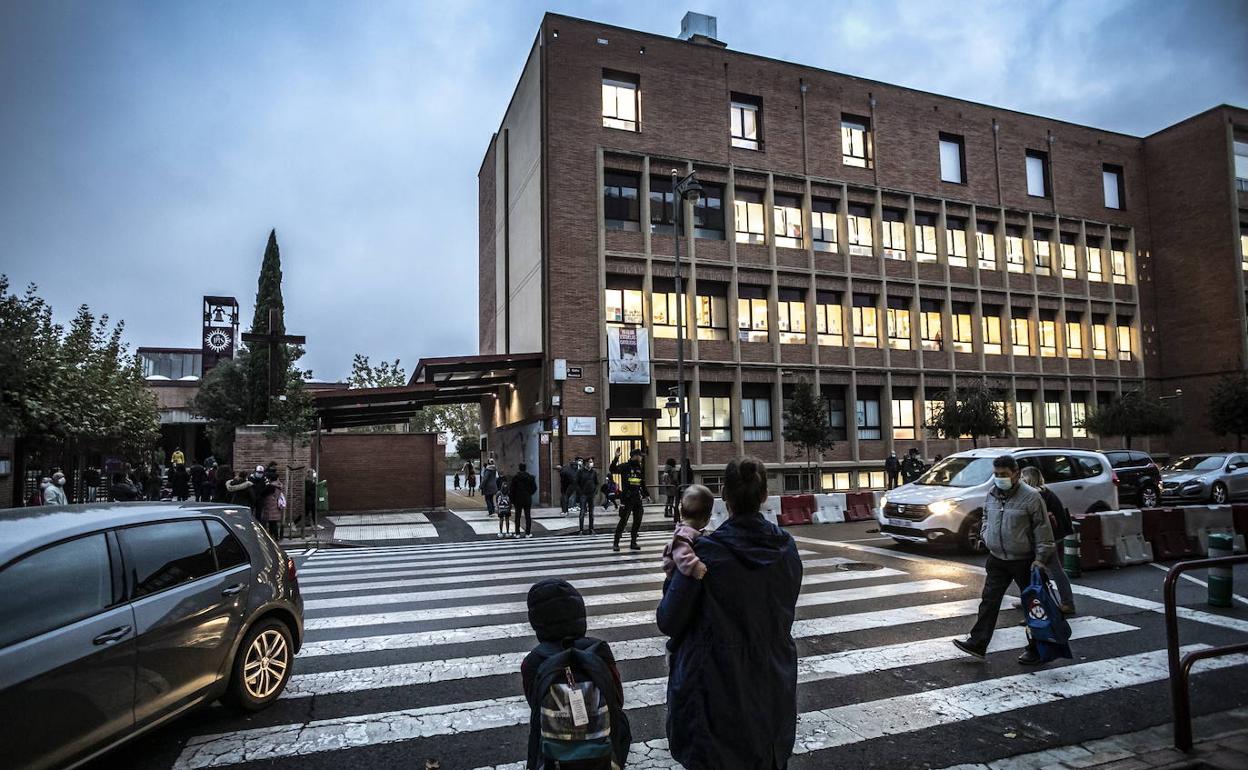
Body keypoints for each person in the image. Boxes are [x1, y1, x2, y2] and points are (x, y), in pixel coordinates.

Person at [657, 457, 803, 769]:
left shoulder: (705, 555)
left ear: (724, 495)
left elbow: (668, 619)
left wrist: (671, 576)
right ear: (764, 496)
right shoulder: (786, 547)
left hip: (713, 696)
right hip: (771, 688)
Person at [952, 454, 1055, 666]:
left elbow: (1043, 530)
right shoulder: (991, 493)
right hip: (997, 558)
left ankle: (1036, 648)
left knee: (1032, 606)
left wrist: (1041, 558)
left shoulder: (1032, 497)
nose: (1000, 478)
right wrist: (985, 534)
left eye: (1004, 474)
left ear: (1016, 474)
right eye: (997, 474)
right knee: (989, 601)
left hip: (1024, 560)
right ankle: (978, 643)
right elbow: (986, 517)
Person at [521, 579, 631, 770]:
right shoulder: (600, 651)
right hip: (603, 753)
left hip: (554, 757)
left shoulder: (534, 661)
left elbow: (535, 704)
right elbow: (617, 699)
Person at [1020, 466, 1076, 615]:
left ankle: (1065, 602)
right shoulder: (1045, 492)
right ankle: (1032, 598)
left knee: (1053, 569)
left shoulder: (1037, 495)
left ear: (1028, 479)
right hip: (1053, 535)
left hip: (1047, 538)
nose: (1019, 480)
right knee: (1038, 568)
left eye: (1022, 477)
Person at [663, 484, 714, 580]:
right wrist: (695, 566)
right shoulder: (684, 533)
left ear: (681, 512)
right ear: (707, 518)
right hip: (676, 574)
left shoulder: (687, 531)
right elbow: (681, 553)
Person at [610, 448, 650, 552]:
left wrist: (647, 494)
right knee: (623, 521)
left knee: (638, 520)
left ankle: (633, 542)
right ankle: (616, 543)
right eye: (640, 456)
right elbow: (612, 469)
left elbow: (642, 482)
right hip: (627, 498)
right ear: (635, 456)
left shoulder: (639, 467)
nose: (641, 458)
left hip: (637, 498)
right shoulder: (625, 466)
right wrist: (616, 457)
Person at [511, 463, 537, 538]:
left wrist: (512, 500)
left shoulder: (515, 478)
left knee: (517, 516)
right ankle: (528, 533)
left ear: (519, 468)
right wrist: (529, 493)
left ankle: (517, 533)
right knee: (528, 515)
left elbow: (512, 489)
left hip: (518, 498)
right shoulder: (530, 477)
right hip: (527, 498)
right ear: (525, 468)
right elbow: (534, 488)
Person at [576, 457, 600, 535]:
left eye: (592, 462)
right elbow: (576, 483)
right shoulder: (580, 472)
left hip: (591, 495)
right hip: (583, 495)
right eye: (590, 462)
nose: (591, 463)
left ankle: (591, 529)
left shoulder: (594, 472)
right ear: (586, 463)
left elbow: (597, 483)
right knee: (582, 512)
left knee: (591, 513)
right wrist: (580, 493)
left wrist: (595, 491)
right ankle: (581, 530)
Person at [259, 467, 284, 541]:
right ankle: (275, 537)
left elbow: (262, 493)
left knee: (271, 523)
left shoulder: (270, 486)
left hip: (270, 505)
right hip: (276, 505)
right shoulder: (279, 485)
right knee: (274, 522)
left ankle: (274, 537)